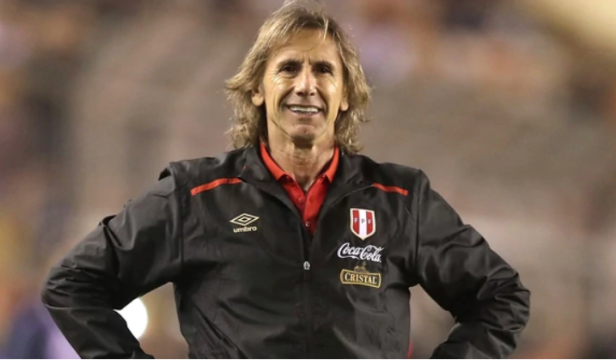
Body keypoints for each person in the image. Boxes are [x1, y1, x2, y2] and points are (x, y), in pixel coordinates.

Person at [41, 1, 530, 358]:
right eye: (288, 68)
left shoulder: (400, 200)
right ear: (256, 88)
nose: (306, 85)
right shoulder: (197, 196)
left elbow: (501, 296)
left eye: (323, 70)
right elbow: (73, 284)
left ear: (345, 96)